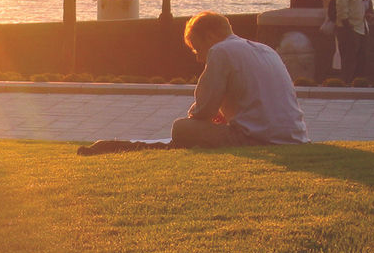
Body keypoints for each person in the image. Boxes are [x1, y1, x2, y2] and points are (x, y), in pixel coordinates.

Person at [77, 11, 309, 155]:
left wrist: (205, 115)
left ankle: (106, 148)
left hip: (260, 139)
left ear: (210, 37)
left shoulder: (221, 50)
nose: (199, 58)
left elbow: (202, 110)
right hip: (293, 136)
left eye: (198, 49)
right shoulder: (265, 49)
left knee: (181, 128)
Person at [330, 0, 374, 84]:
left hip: (362, 29)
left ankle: (358, 85)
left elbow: (367, 4)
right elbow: (341, 10)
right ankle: (345, 85)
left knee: (362, 61)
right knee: (348, 62)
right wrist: (347, 27)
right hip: (349, 30)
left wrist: (369, 14)